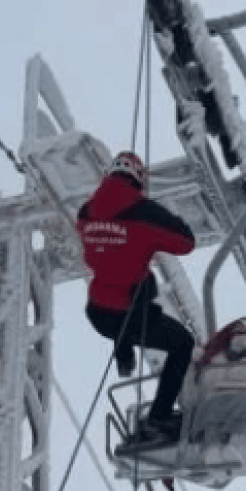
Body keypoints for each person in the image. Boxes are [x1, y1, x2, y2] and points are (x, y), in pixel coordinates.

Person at [76, 151, 196, 441]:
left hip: (98, 312)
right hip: (130, 313)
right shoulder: (145, 212)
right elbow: (185, 243)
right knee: (182, 343)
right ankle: (159, 417)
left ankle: (124, 353)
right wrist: (166, 217)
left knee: (134, 298)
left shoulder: (86, 212)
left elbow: (107, 245)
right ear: (138, 177)